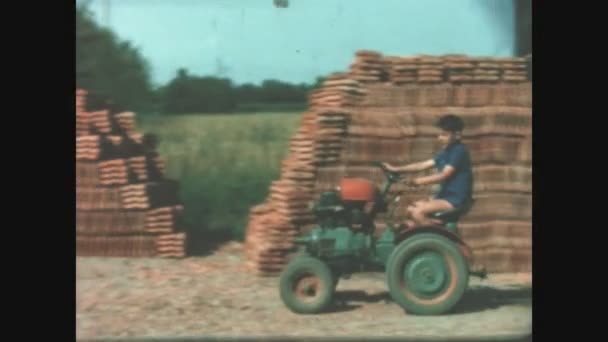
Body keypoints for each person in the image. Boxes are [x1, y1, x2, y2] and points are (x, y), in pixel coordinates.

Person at [382, 114, 473, 228]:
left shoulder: (459, 151)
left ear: (457, 135)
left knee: (417, 212)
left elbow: (444, 175)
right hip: (444, 197)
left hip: (455, 199)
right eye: (439, 134)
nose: (440, 138)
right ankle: (425, 230)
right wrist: (396, 169)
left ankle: (435, 236)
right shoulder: (445, 152)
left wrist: (417, 181)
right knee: (410, 209)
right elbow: (422, 165)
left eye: (444, 135)